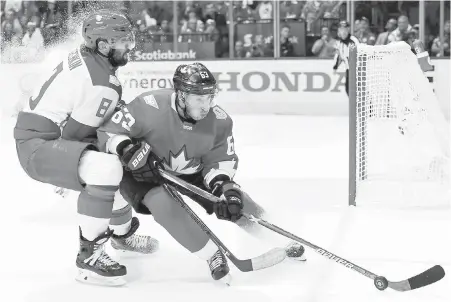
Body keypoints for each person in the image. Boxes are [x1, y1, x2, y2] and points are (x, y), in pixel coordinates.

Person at [97, 62, 306, 283]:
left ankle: (279, 236)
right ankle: (211, 254)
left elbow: (220, 160)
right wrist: (127, 149)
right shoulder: (149, 105)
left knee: (237, 203)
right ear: (180, 95)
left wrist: (225, 189)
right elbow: (109, 130)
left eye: (209, 97)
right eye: (199, 98)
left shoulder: (220, 121)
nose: (206, 105)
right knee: (163, 206)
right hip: (144, 169)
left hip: (193, 170)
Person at [13, 10, 158, 287]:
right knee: (107, 168)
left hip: (39, 137)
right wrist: (71, 172)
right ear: (103, 45)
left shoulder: (88, 59)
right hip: (39, 146)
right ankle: (89, 258)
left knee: (114, 168)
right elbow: (76, 134)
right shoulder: (101, 83)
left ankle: (122, 234)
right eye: (123, 41)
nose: (129, 47)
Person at [333, 20, 360, 96]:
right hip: (349, 69)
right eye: (341, 29)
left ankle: (363, 106)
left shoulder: (353, 40)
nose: (343, 31)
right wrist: (335, 67)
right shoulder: (340, 43)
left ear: (348, 30)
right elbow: (340, 56)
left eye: (345, 29)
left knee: (358, 89)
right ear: (338, 31)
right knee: (348, 89)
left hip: (357, 69)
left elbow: (359, 54)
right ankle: (355, 107)